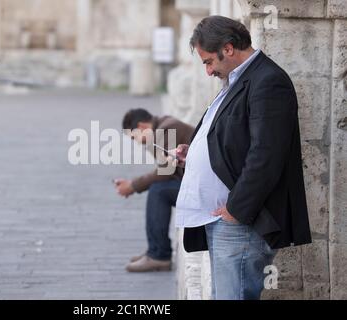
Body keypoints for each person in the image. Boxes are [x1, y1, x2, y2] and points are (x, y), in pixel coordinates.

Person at [170, 16, 312, 299]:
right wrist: (197, 152)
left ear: (229, 48)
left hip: (241, 221)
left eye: (209, 61)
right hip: (224, 219)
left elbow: (267, 153)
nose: (208, 71)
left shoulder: (268, 81)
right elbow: (233, 137)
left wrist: (236, 209)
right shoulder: (238, 79)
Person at [114, 108, 194, 272]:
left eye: (134, 137)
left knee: (159, 191)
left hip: (202, 187)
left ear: (142, 126)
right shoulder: (164, 126)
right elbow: (168, 170)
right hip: (193, 183)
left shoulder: (167, 129)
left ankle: (159, 255)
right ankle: (154, 250)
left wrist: (133, 186)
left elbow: (165, 172)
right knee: (158, 189)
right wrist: (133, 184)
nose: (137, 142)